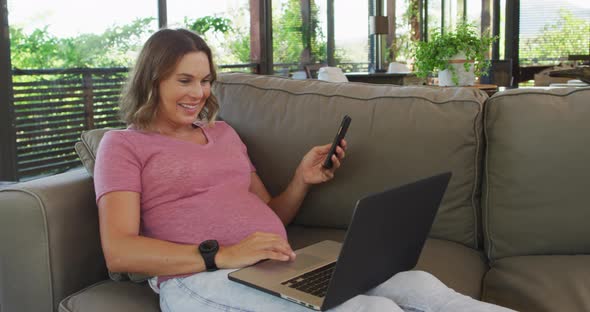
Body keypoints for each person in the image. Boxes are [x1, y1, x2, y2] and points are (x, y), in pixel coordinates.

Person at [94, 28, 515, 312]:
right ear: (152, 81)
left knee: (421, 286)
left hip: (277, 263)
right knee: (373, 309)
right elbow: (121, 251)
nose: (199, 94)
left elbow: (270, 215)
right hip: (199, 278)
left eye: (205, 81)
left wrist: (300, 180)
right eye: (184, 81)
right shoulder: (124, 145)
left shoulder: (222, 133)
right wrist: (224, 254)